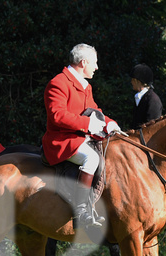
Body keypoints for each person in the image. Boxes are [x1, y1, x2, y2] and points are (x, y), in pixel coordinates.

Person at [42, 43, 121, 228]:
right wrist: (87, 124)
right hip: (61, 141)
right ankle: (81, 209)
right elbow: (57, 116)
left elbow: (95, 111)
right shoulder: (58, 83)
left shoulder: (85, 85)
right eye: (94, 63)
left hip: (80, 138)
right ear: (83, 62)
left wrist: (109, 123)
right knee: (92, 159)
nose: (97, 67)